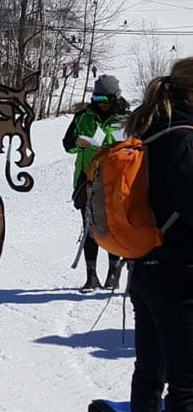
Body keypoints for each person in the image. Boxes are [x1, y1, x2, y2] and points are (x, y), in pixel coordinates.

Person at [124, 58, 193, 411]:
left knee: (149, 373)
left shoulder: (150, 130)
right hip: (178, 275)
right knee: (187, 386)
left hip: (144, 268)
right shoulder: (183, 138)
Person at [62, 74, 130, 291]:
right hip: (88, 177)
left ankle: (113, 272)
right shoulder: (84, 116)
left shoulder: (128, 117)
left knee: (114, 225)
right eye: (98, 99)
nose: (102, 105)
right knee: (90, 226)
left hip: (117, 177)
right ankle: (91, 276)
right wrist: (78, 142)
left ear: (116, 98)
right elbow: (67, 143)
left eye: (106, 100)